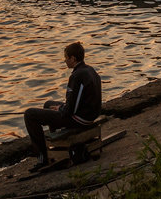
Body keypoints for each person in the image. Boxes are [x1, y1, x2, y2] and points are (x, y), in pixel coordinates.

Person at [23, 41, 102, 169]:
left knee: (29, 114)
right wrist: (60, 108)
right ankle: (58, 144)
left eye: (66, 58)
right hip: (89, 115)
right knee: (48, 104)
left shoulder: (76, 76)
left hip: (80, 119)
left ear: (73, 58)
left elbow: (70, 110)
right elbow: (78, 102)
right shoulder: (90, 70)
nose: (65, 61)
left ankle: (42, 158)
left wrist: (60, 108)